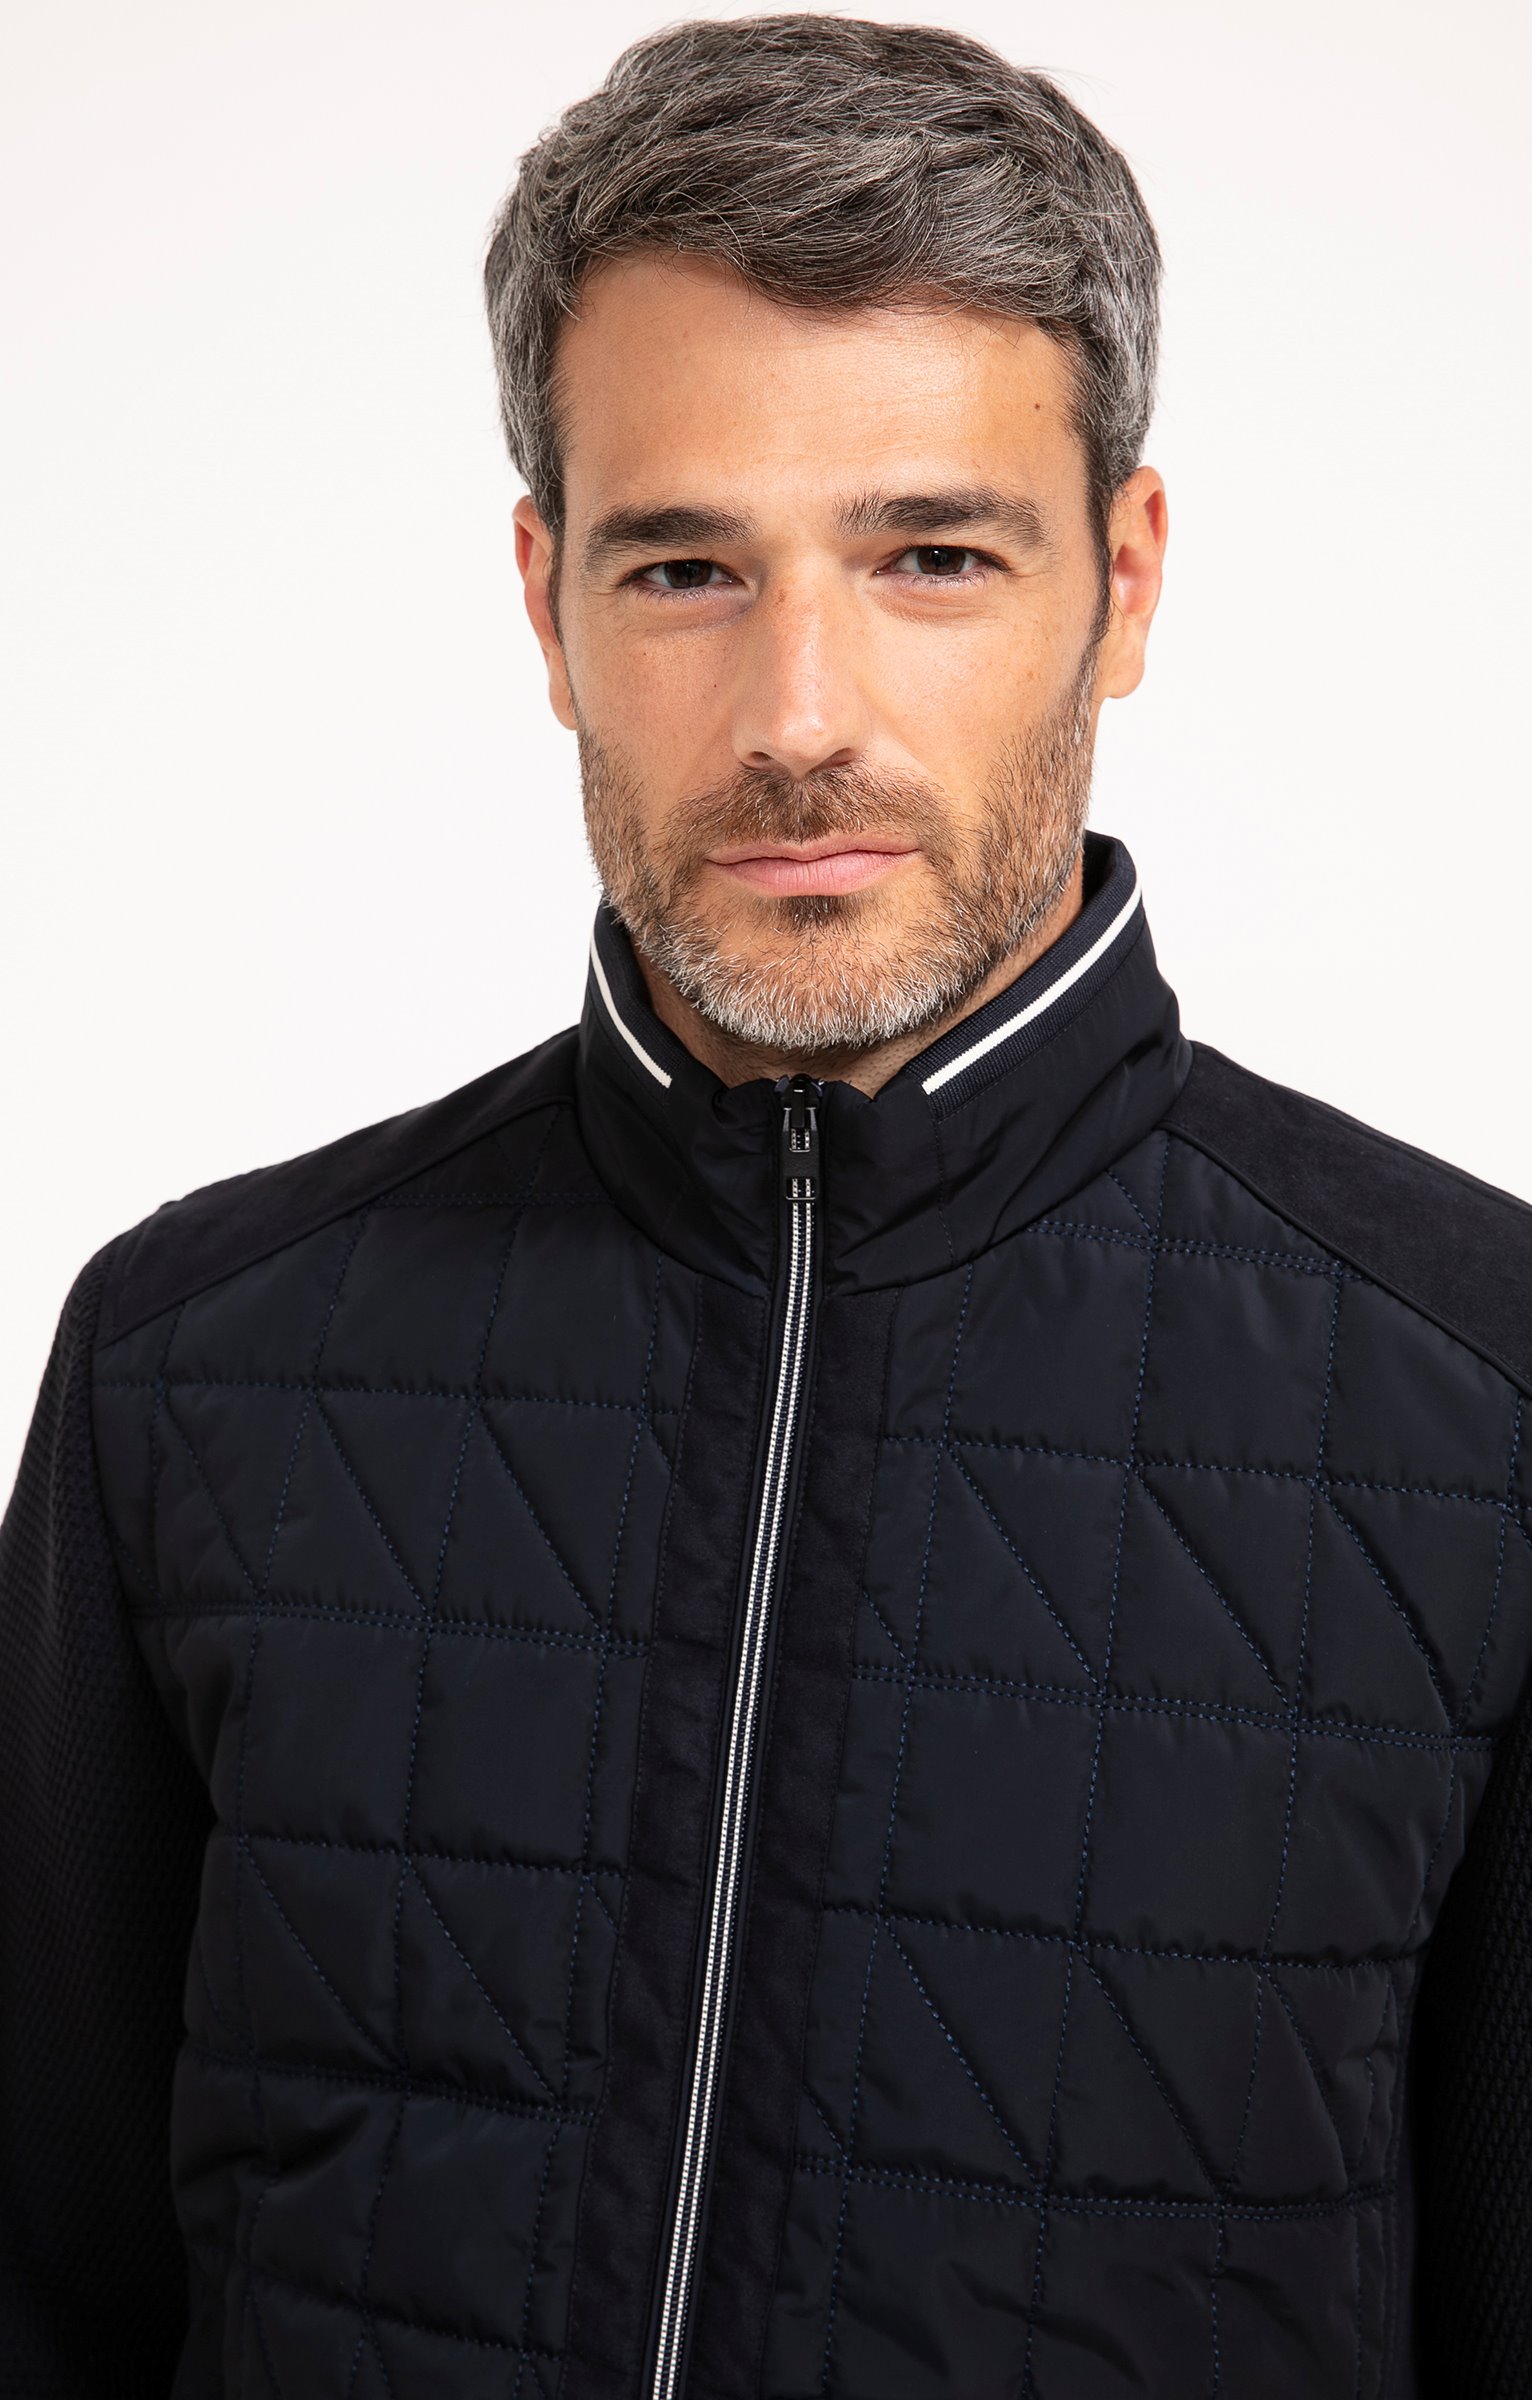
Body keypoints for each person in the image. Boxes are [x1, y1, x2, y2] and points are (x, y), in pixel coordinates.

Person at [2, 14, 1528, 2395]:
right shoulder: (188, 1364)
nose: (798, 712)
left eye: (931, 555)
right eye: (688, 565)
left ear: (1122, 582)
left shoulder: (1489, 1401)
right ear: (548, 605)